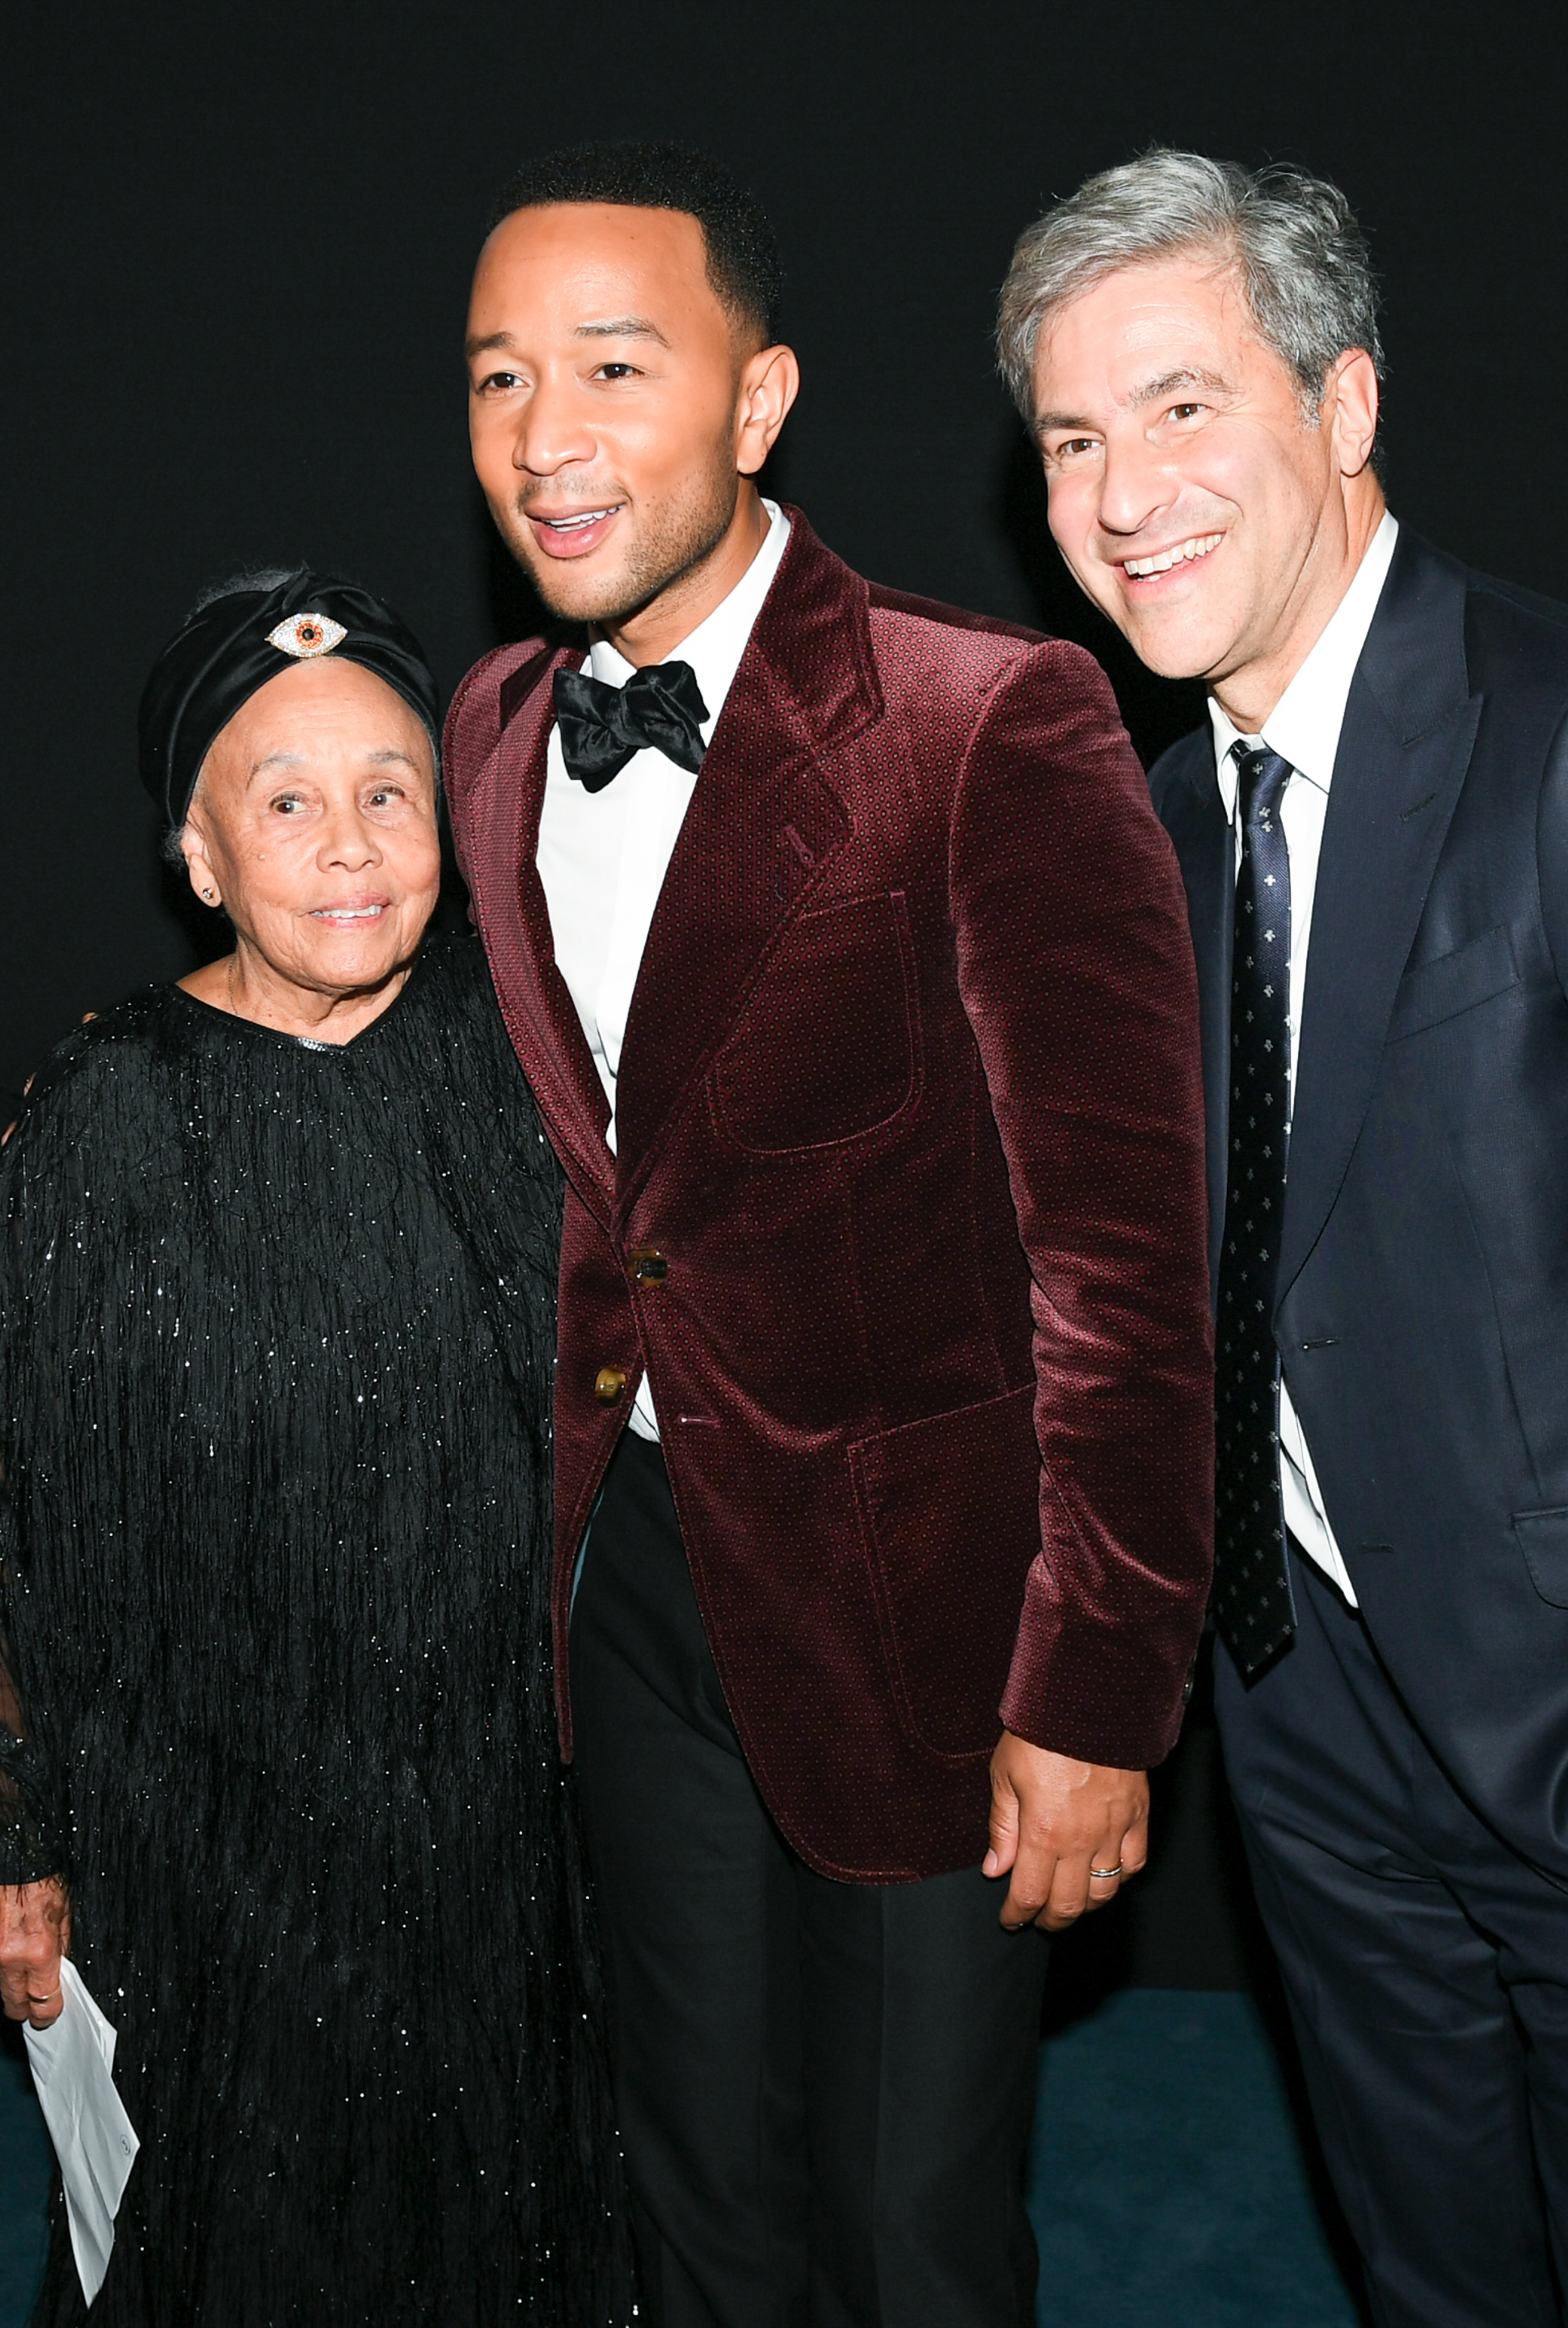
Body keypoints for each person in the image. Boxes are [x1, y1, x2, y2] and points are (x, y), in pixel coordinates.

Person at [998, 152, 1568, 2326]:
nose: (1123, 493)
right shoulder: (1153, 831)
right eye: (1071, 439)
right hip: (1317, 1746)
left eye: (1181, 407)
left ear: (1343, 406)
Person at [448, 143, 1213, 2328]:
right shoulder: (491, 734)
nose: (546, 439)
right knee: (699, 2206)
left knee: (911, 2243)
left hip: (928, 1623)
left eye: (614, 367)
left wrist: (1098, 1693)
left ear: (760, 401)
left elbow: (1128, 1274)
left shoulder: (992, 719)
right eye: (500, 380)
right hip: (624, 1589)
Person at [0, 571, 629, 2326]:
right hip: (208, 1846)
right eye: (286, 803)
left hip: (499, 1836)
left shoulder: (518, 1058)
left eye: (390, 791)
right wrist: (3, 1837)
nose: (350, 843)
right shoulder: (103, 1113)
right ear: (201, 856)